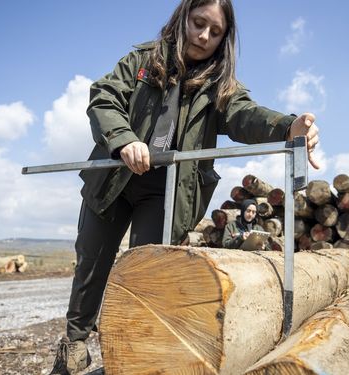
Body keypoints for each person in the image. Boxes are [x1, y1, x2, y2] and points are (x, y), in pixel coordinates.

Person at [50, 0, 320, 373]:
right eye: (199, 23)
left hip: (166, 192)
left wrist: (288, 127)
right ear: (183, 18)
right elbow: (105, 96)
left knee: (146, 276)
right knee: (91, 265)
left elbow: (245, 115)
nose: (204, 36)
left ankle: (135, 357)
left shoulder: (220, 85)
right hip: (115, 178)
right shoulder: (143, 60)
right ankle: (74, 349)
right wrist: (124, 139)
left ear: (225, 38)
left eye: (215, 31)